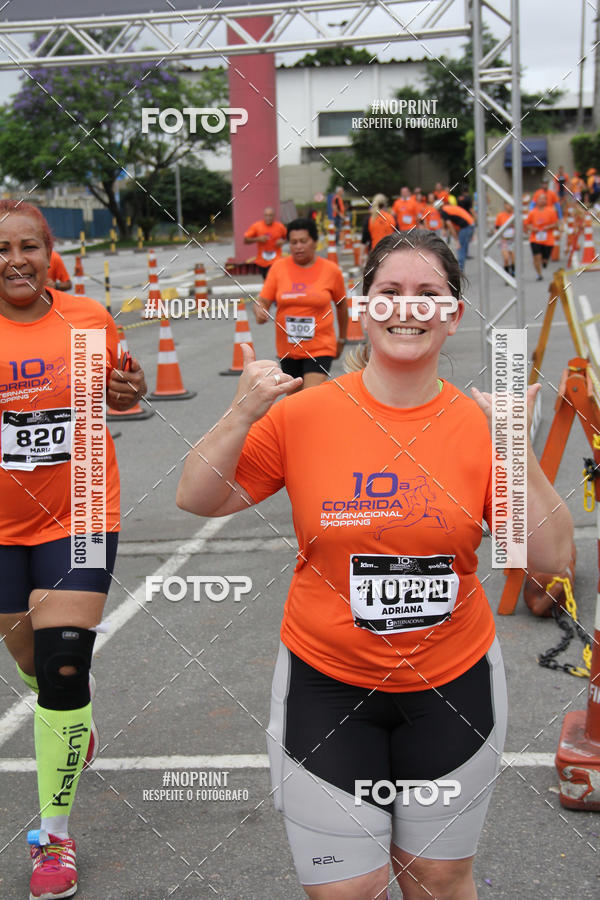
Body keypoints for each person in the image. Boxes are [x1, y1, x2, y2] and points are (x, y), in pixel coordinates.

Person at [176, 229, 573, 900]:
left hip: (451, 685)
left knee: (439, 879)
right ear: (362, 306)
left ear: (452, 313)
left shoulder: (477, 422)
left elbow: (550, 561)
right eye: (389, 293)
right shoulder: (305, 415)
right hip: (329, 688)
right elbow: (197, 496)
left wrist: (514, 445)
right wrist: (242, 411)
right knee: (345, 893)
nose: (407, 309)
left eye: (429, 295)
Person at [0, 200, 147, 899]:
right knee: (29, 658)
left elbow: (122, 391)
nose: (15, 260)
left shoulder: (88, 319)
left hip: (80, 508)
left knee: (61, 664)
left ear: (48, 253)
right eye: (1, 248)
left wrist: (130, 387)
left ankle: (52, 837)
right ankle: (71, 713)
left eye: (28, 245)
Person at [253, 217, 348, 389]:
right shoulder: (278, 268)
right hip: (288, 350)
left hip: (320, 348)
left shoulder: (331, 270)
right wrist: (259, 310)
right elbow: (263, 301)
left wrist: (342, 338)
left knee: (309, 397)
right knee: (294, 404)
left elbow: (342, 305)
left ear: (315, 242)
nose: (298, 246)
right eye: (293, 242)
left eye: (303, 241)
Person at [243, 207, 287, 280]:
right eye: (266, 215)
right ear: (264, 216)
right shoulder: (257, 226)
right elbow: (245, 240)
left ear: (274, 216)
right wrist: (258, 239)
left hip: (276, 259)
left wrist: (282, 241)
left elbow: (289, 237)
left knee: (273, 278)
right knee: (266, 280)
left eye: (270, 215)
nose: (268, 218)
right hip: (262, 260)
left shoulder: (280, 226)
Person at [524, 193, 559, 280]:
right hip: (535, 238)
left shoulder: (551, 211)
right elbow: (527, 224)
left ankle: (545, 261)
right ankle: (539, 274)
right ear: (536, 201)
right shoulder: (532, 212)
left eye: (544, 199)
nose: (542, 200)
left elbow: (556, 224)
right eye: (540, 199)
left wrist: (548, 227)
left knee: (544, 258)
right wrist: (533, 228)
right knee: (537, 257)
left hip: (548, 239)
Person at [440, 202, 475, 271]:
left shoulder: (444, 211)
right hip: (469, 224)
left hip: (466, 226)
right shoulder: (448, 208)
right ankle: (461, 268)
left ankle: (459, 271)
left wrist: (456, 240)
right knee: (463, 249)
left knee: (460, 248)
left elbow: (450, 226)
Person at [495, 201, 515, 277]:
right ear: (504, 205)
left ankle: (513, 272)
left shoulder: (514, 215)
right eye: (507, 204)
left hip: (512, 239)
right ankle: (506, 275)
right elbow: (496, 227)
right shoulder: (501, 215)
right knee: (506, 258)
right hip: (504, 240)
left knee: (513, 257)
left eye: (510, 205)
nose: (508, 206)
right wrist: (499, 236)